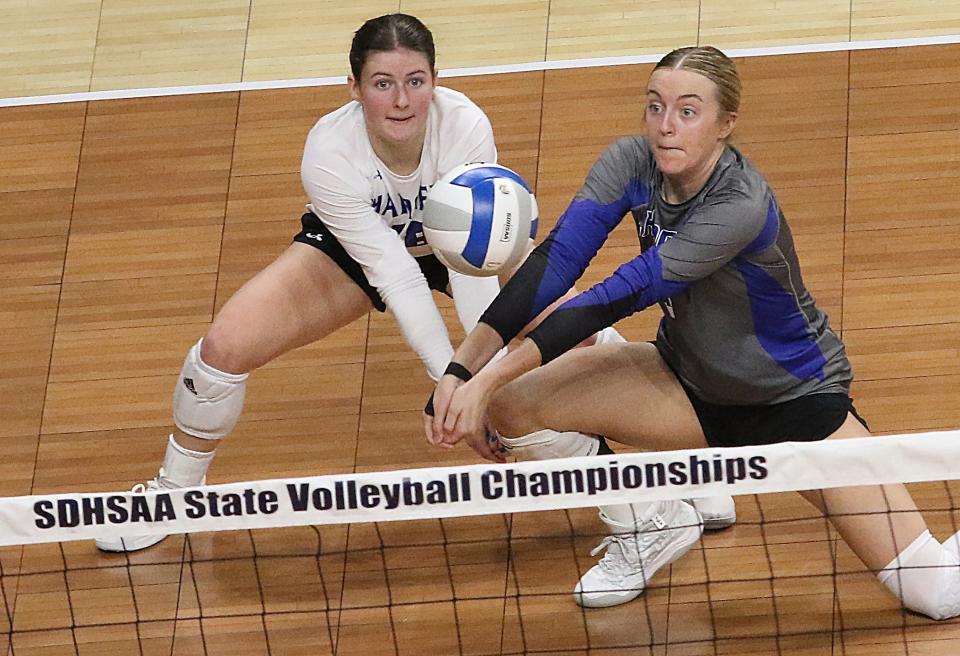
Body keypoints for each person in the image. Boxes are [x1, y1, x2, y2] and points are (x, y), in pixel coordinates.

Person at [94, 13, 709, 553]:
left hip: (468, 245)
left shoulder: (463, 124)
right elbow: (394, 274)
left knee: (568, 338)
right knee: (224, 347)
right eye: (382, 84)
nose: (400, 100)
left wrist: (465, 384)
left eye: (415, 81)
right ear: (354, 88)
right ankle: (173, 493)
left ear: (434, 82)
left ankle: (682, 474)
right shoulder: (329, 153)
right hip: (360, 250)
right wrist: (454, 393)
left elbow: (470, 273)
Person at [424, 45, 960, 619]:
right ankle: (656, 520)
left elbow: (618, 296)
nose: (664, 127)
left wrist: (480, 381)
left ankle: (703, 490)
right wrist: (462, 371)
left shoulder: (739, 205)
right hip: (687, 387)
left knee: (933, 593)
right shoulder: (631, 163)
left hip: (796, 407)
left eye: (687, 111)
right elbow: (555, 263)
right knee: (513, 404)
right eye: (655, 107)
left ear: (725, 124)